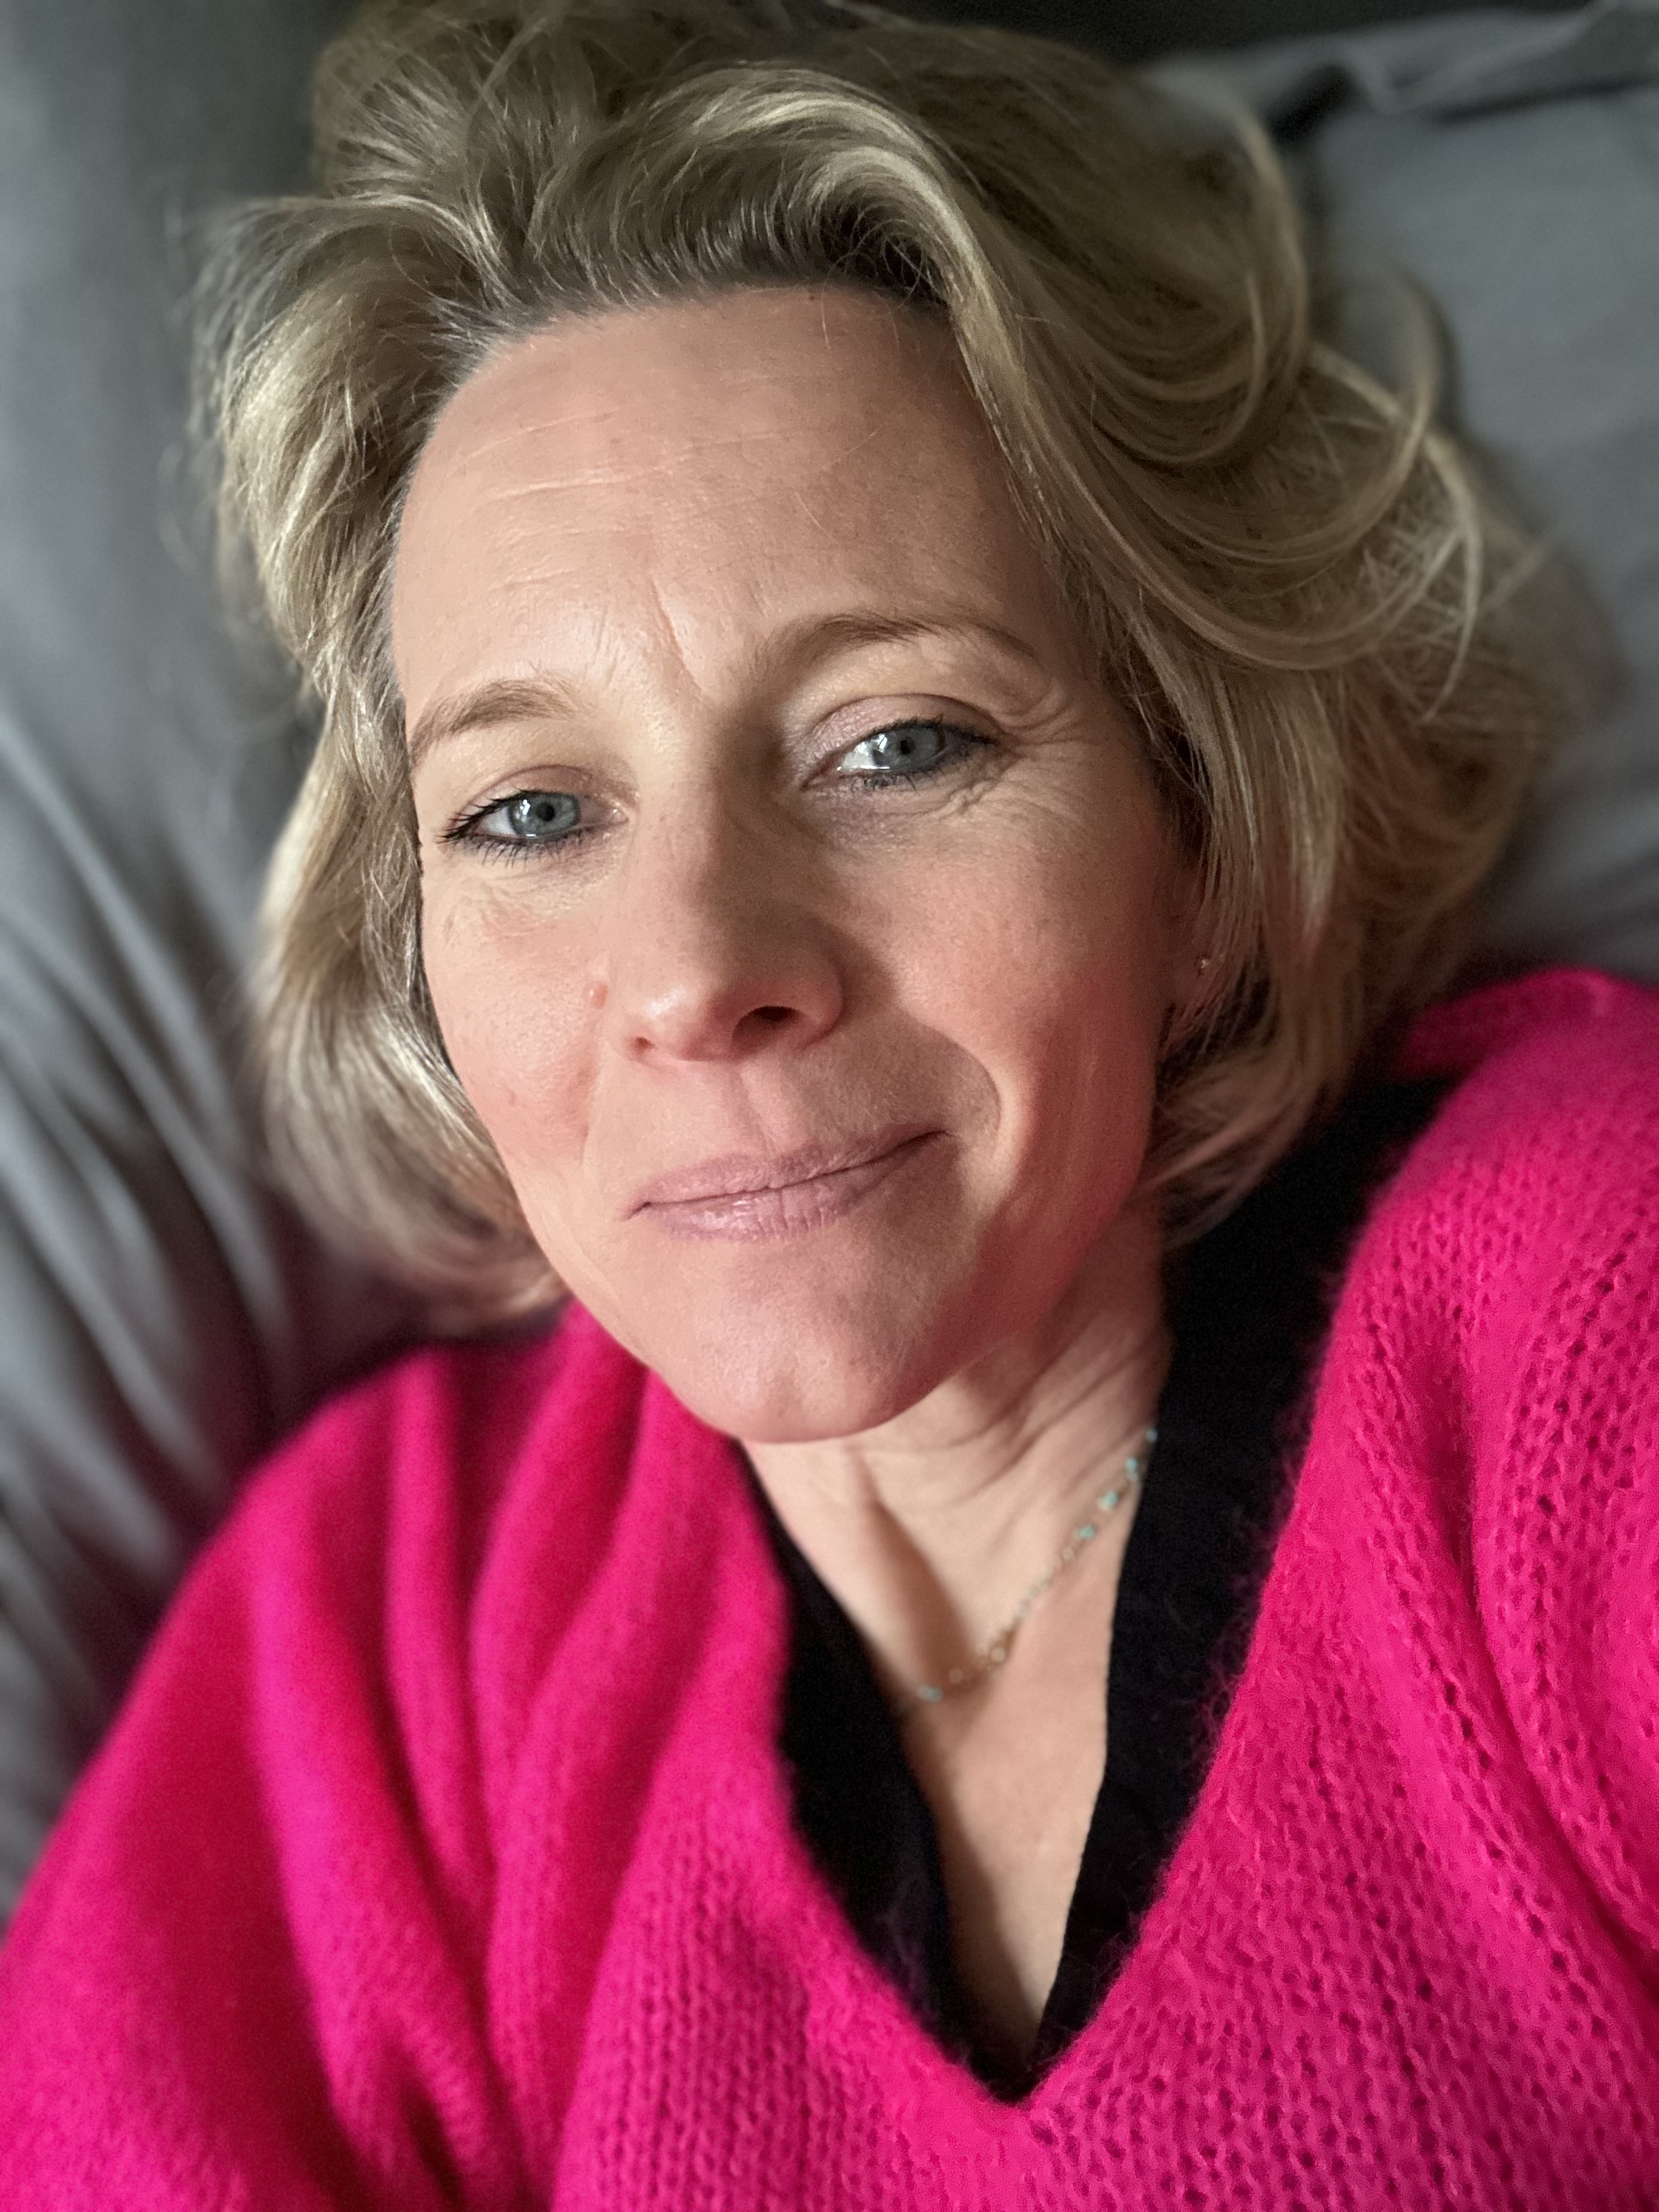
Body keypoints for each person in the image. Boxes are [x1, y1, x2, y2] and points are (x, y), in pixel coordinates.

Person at [1, 0, 1656, 2201]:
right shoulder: (375, 1664)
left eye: (896, 746)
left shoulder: (1589, 1332)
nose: (701, 973)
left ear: (1194, 834)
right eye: (527, 812)